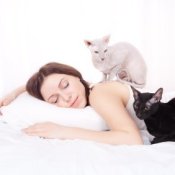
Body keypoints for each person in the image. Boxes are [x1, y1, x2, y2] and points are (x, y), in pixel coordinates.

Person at [0, 62, 151, 145]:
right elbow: (48, 86)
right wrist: (15, 92)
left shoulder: (99, 94)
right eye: (54, 99)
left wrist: (63, 131)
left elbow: (132, 139)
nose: (66, 98)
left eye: (65, 85)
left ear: (76, 76)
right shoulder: (90, 89)